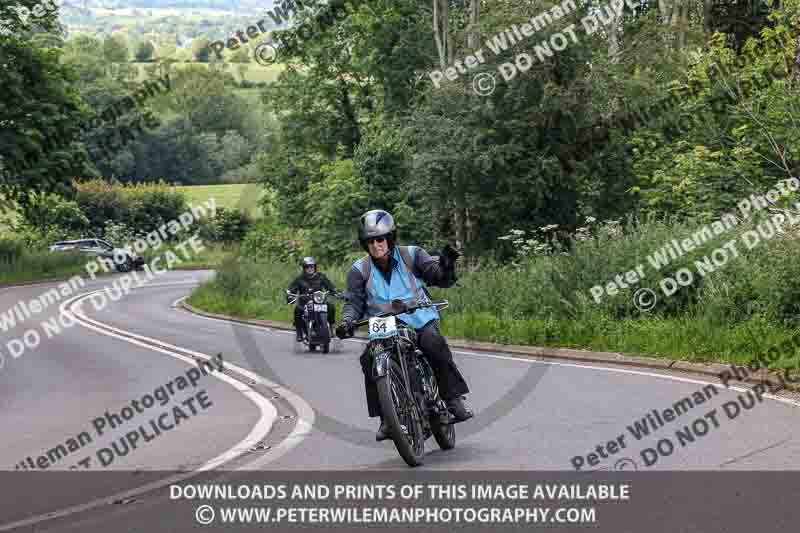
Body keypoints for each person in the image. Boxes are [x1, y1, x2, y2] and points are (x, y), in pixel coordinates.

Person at [336, 209, 474, 442]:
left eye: (380, 239)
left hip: (419, 317)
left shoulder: (413, 255)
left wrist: (447, 265)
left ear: (390, 238)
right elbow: (353, 302)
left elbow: (439, 277)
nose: (376, 245)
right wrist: (347, 321)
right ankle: (386, 419)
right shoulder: (359, 270)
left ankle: (452, 400)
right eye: (370, 241)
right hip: (384, 324)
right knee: (369, 358)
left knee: (433, 344)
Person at [287, 257, 338, 342]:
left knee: (331, 307)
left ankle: (331, 327)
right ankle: (299, 332)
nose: (310, 269)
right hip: (304, 302)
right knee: (298, 310)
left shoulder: (321, 277)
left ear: (315, 267)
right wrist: (290, 296)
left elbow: (330, 286)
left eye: (312, 266)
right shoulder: (299, 279)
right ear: (304, 268)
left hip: (319, 301)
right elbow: (292, 289)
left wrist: (335, 291)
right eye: (307, 267)